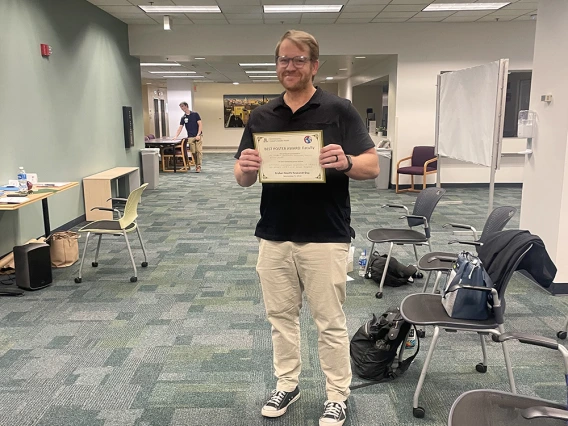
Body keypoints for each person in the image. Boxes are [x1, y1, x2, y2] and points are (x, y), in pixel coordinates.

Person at [234, 30, 379, 426]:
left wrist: (346, 161)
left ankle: (337, 395)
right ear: (276, 64)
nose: (290, 66)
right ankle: (288, 384)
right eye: (283, 59)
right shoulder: (262, 115)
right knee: (280, 317)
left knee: (328, 321)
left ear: (314, 65)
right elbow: (243, 177)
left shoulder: (339, 110)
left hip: (325, 234)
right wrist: (244, 170)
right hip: (275, 233)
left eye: (299, 60)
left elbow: (372, 166)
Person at [173, 102, 203, 172]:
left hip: (198, 135)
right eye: (181, 107)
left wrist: (198, 134)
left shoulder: (195, 114)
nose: (182, 108)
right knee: (193, 152)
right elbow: (180, 127)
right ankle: (196, 164)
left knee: (199, 151)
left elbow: (200, 124)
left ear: (186, 106)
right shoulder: (183, 118)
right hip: (190, 136)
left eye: (183, 106)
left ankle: (198, 166)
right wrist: (176, 136)